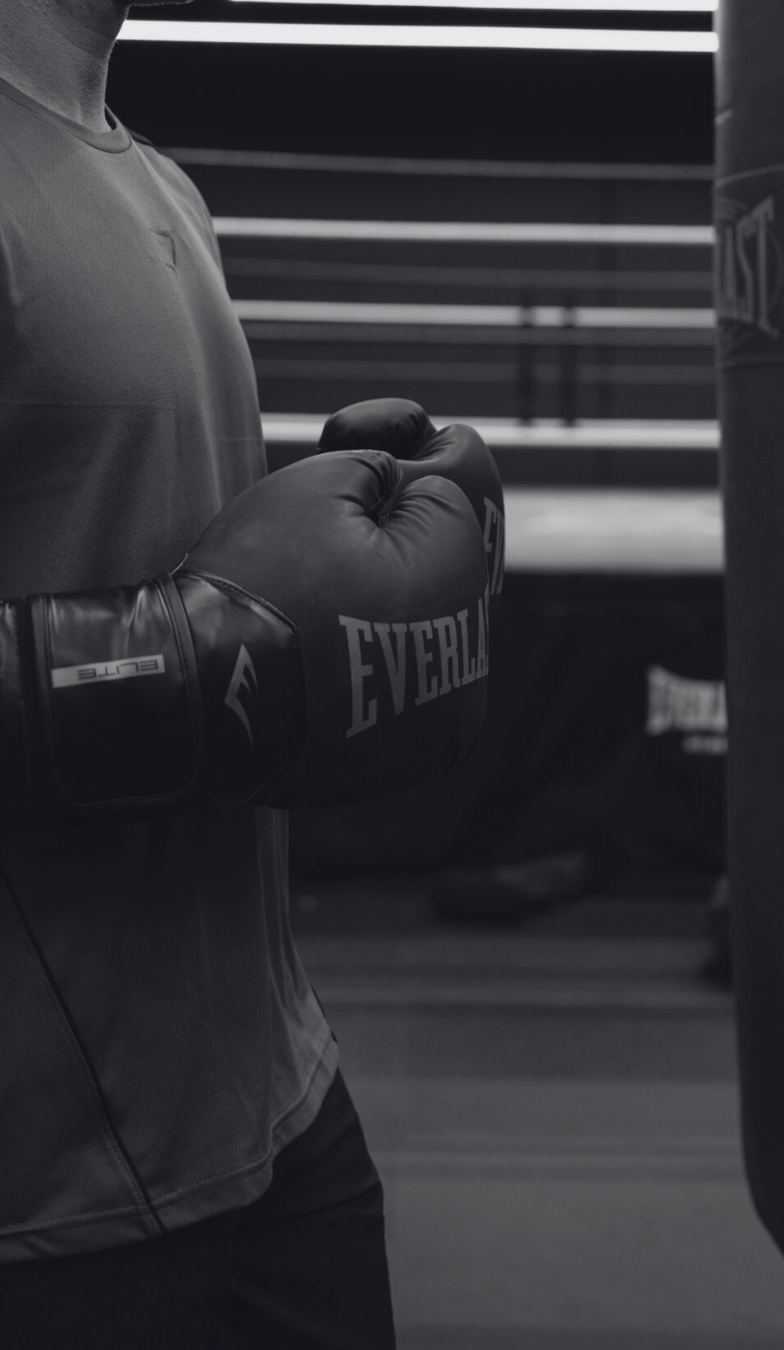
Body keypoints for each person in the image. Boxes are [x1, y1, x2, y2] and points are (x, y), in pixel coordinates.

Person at [0, 3, 487, 1345]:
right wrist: (160, 671)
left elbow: (140, 560)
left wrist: (312, 587)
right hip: (50, 1166)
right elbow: (176, 654)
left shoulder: (161, 183)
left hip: (271, 1089)